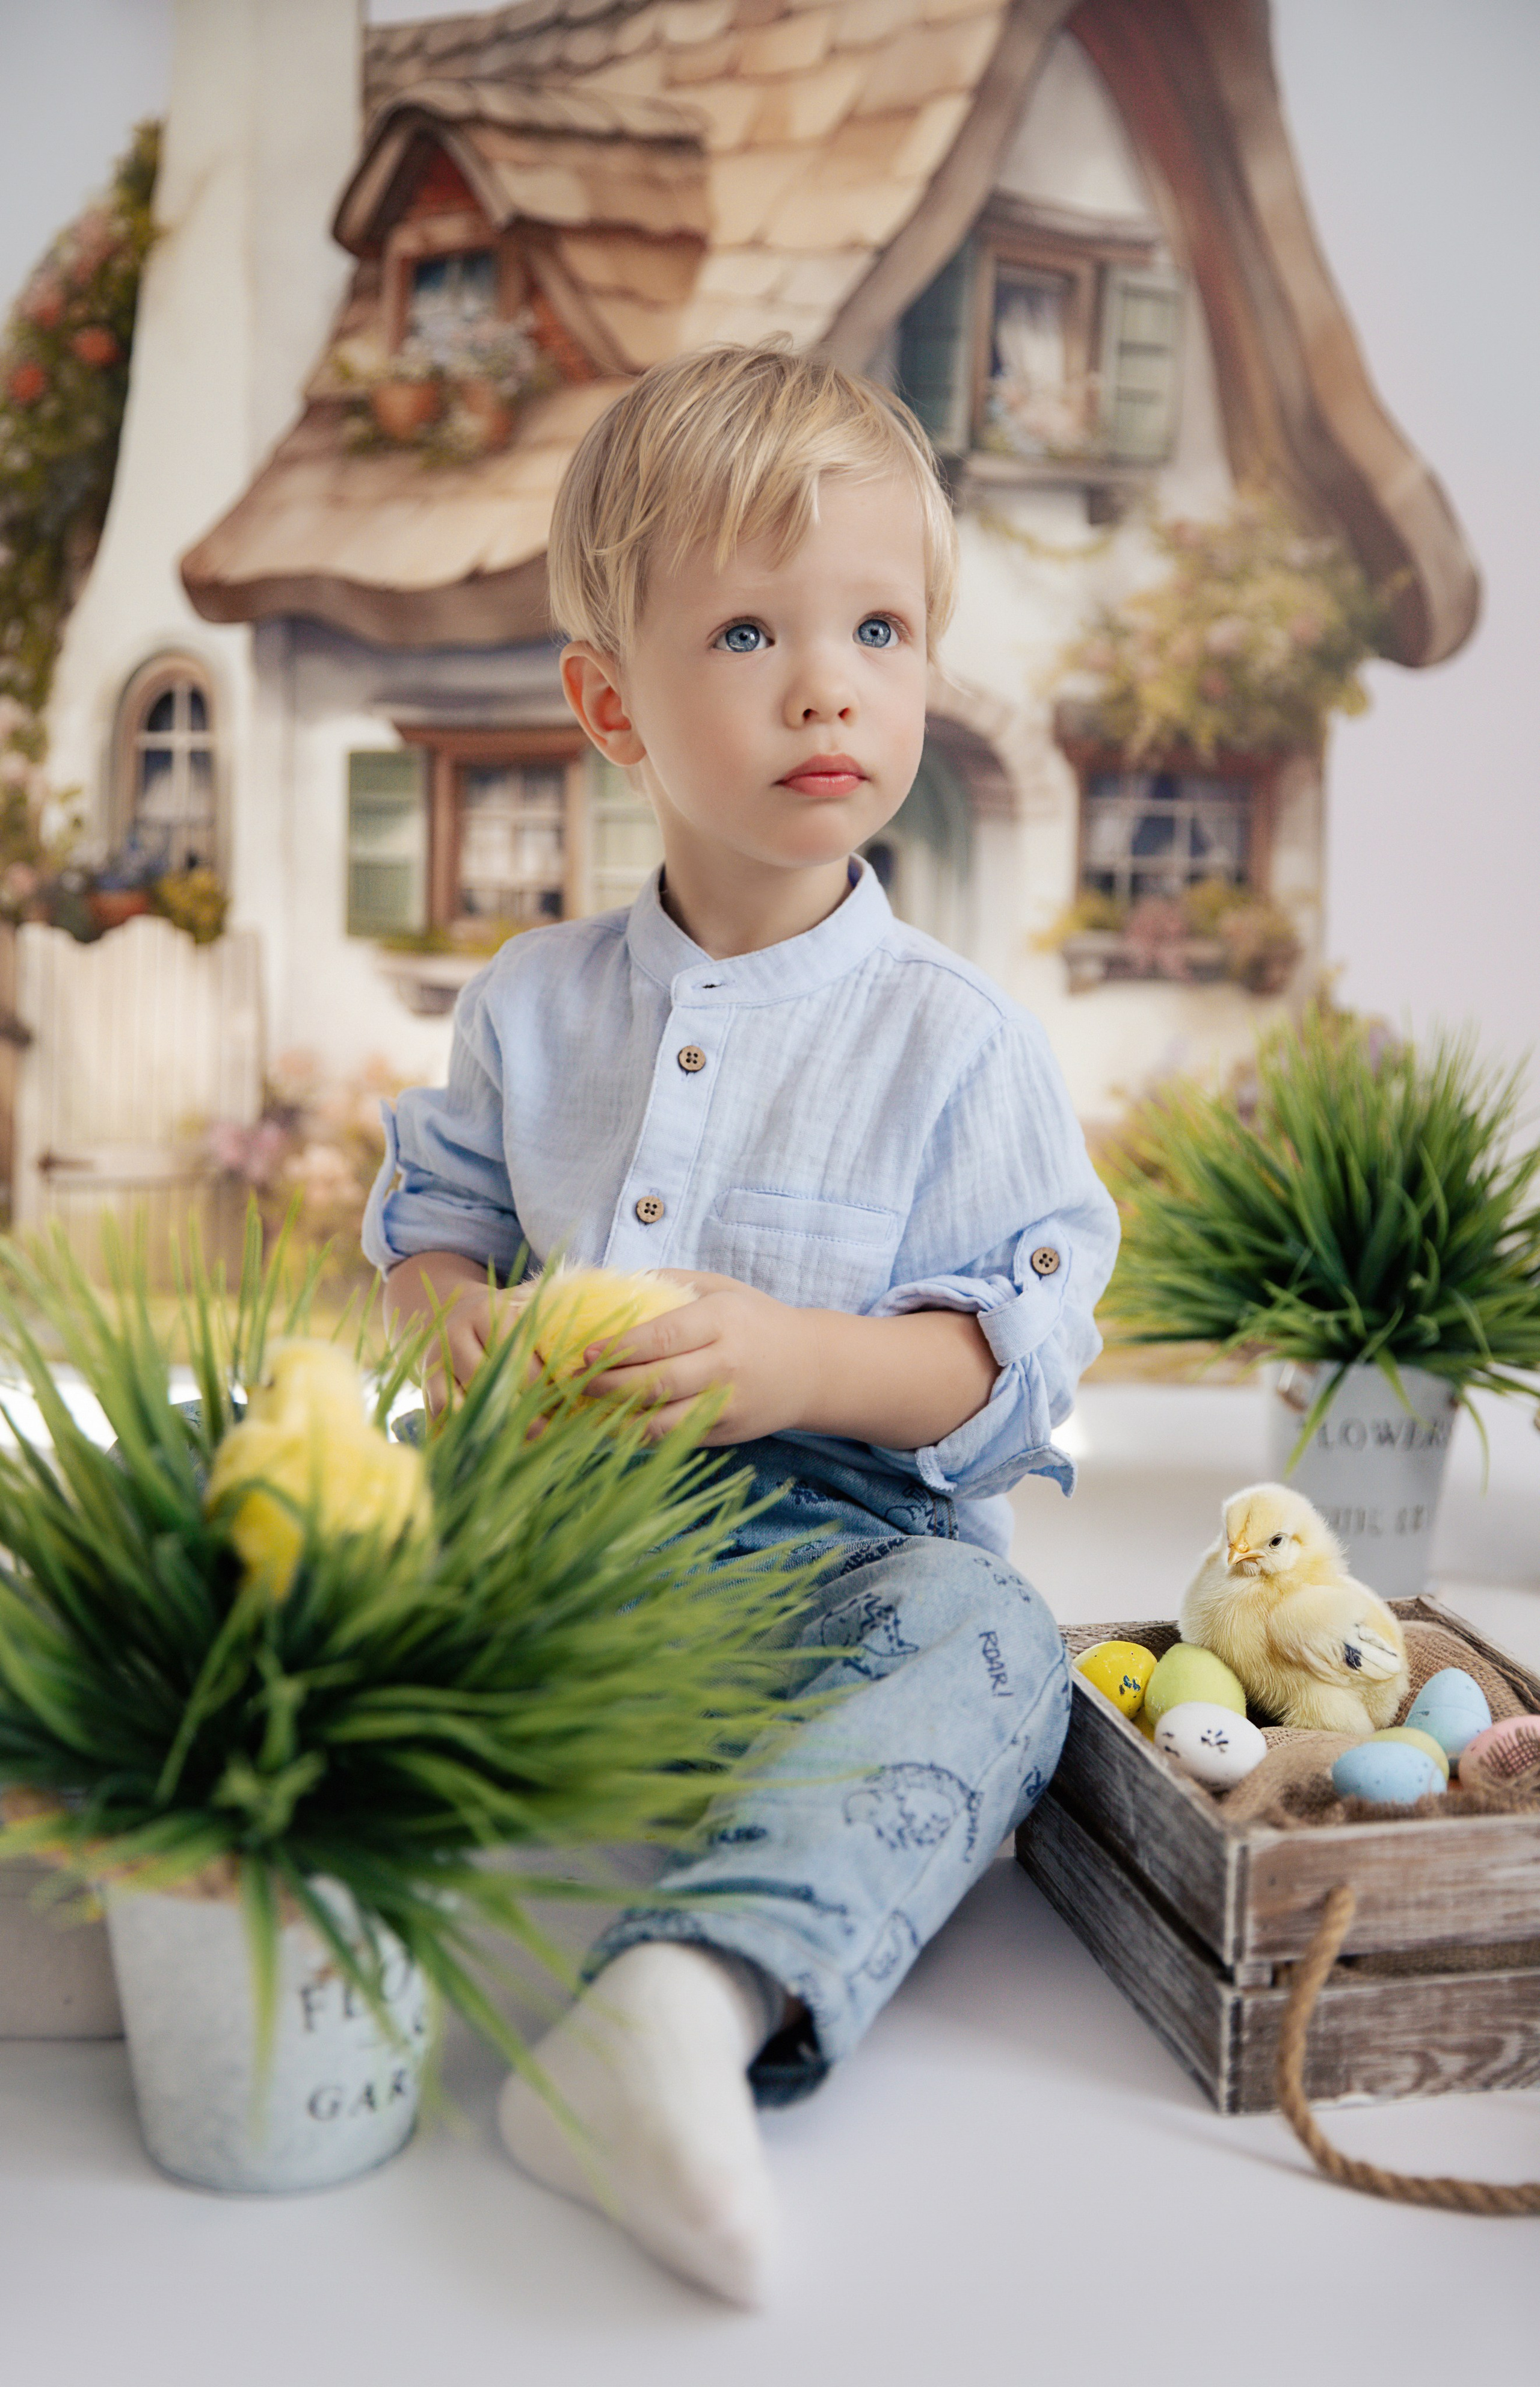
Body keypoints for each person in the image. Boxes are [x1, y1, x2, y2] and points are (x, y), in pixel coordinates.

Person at [363, 344, 1118, 2306]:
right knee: (280, 1534)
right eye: (753, 631)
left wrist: (801, 1365)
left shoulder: (949, 1040)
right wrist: (445, 1322)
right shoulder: (534, 1005)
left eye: (879, 627)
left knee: (1003, 1653)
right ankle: (158, 1856)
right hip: (546, 1528)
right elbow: (429, 1222)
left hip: (835, 1560)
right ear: (611, 704)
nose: (828, 685)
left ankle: (681, 2007)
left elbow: (1015, 1349)